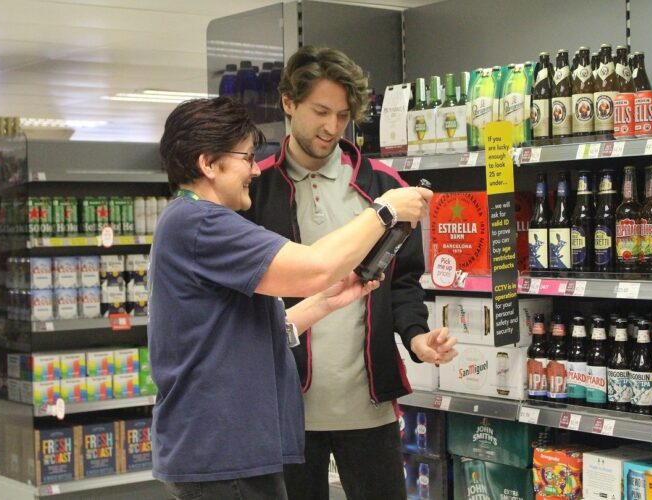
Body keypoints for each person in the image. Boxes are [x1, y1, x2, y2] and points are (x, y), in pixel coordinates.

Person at [149, 96, 432, 500]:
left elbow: (237, 335)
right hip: (223, 453)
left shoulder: (192, 223)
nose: (253, 170)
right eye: (245, 158)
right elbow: (315, 266)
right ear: (208, 163)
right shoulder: (201, 224)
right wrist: (383, 211)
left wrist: (323, 303)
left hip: (226, 450)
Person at [243, 46, 458, 500]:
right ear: (288, 102)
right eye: (320, 111)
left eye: (342, 116)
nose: (331, 128)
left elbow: (402, 281)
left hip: (368, 407)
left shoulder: (385, 187)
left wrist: (418, 338)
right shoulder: (254, 191)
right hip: (285, 411)